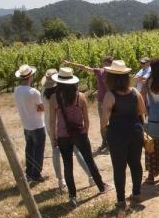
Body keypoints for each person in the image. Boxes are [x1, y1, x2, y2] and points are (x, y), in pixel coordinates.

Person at [49, 67, 112, 206]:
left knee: (67, 165)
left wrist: (54, 138)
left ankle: (72, 196)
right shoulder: (80, 96)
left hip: (63, 136)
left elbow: (52, 121)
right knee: (89, 160)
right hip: (80, 133)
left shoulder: (54, 98)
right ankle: (101, 186)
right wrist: (85, 133)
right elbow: (87, 119)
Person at [101, 60, 147, 209]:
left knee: (119, 167)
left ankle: (121, 200)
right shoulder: (135, 92)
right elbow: (143, 111)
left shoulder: (110, 95)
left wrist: (107, 128)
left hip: (117, 135)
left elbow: (104, 120)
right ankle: (137, 193)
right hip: (135, 132)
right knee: (135, 163)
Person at [41, 69, 94, 190]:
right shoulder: (63, 94)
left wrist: (53, 136)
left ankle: (61, 180)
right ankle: (91, 176)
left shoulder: (44, 93)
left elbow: (49, 117)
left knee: (56, 152)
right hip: (66, 128)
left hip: (51, 126)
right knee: (77, 151)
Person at [63, 56, 113, 151]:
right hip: (102, 101)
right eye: (105, 63)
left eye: (108, 63)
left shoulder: (115, 73)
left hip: (112, 101)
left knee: (113, 122)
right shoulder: (99, 71)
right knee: (103, 123)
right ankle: (105, 142)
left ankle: (112, 142)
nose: (106, 65)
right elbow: (84, 67)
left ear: (111, 64)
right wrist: (70, 64)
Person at [14, 64, 48, 183]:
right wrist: (38, 107)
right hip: (37, 125)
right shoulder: (33, 92)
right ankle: (36, 175)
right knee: (38, 150)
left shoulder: (17, 90)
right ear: (31, 76)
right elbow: (42, 108)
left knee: (29, 148)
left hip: (26, 125)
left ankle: (29, 172)